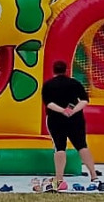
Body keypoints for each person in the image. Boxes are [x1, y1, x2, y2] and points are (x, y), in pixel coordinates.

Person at [41, 60, 100, 190]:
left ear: (53, 71)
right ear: (66, 70)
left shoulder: (48, 85)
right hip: (76, 119)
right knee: (82, 146)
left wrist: (63, 111)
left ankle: (59, 178)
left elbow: (49, 103)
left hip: (56, 119)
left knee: (60, 147)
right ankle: (94, 175)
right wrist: (72, 111)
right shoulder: (75, 83)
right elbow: (84, 101)